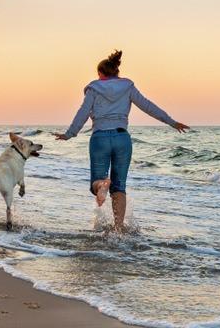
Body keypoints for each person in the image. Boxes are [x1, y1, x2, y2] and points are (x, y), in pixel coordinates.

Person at [53, 50, 189, 231]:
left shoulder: (94, 89)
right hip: (122, 139)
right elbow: (148, 106)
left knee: (97, 181)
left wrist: (70, 133)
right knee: (119, 187)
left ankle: (101, 185)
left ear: (101, 74)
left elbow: (83, 113)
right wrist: (171, 122)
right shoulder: (128, 87)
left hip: (100, 138)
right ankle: (118, 230)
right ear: (117, 72)